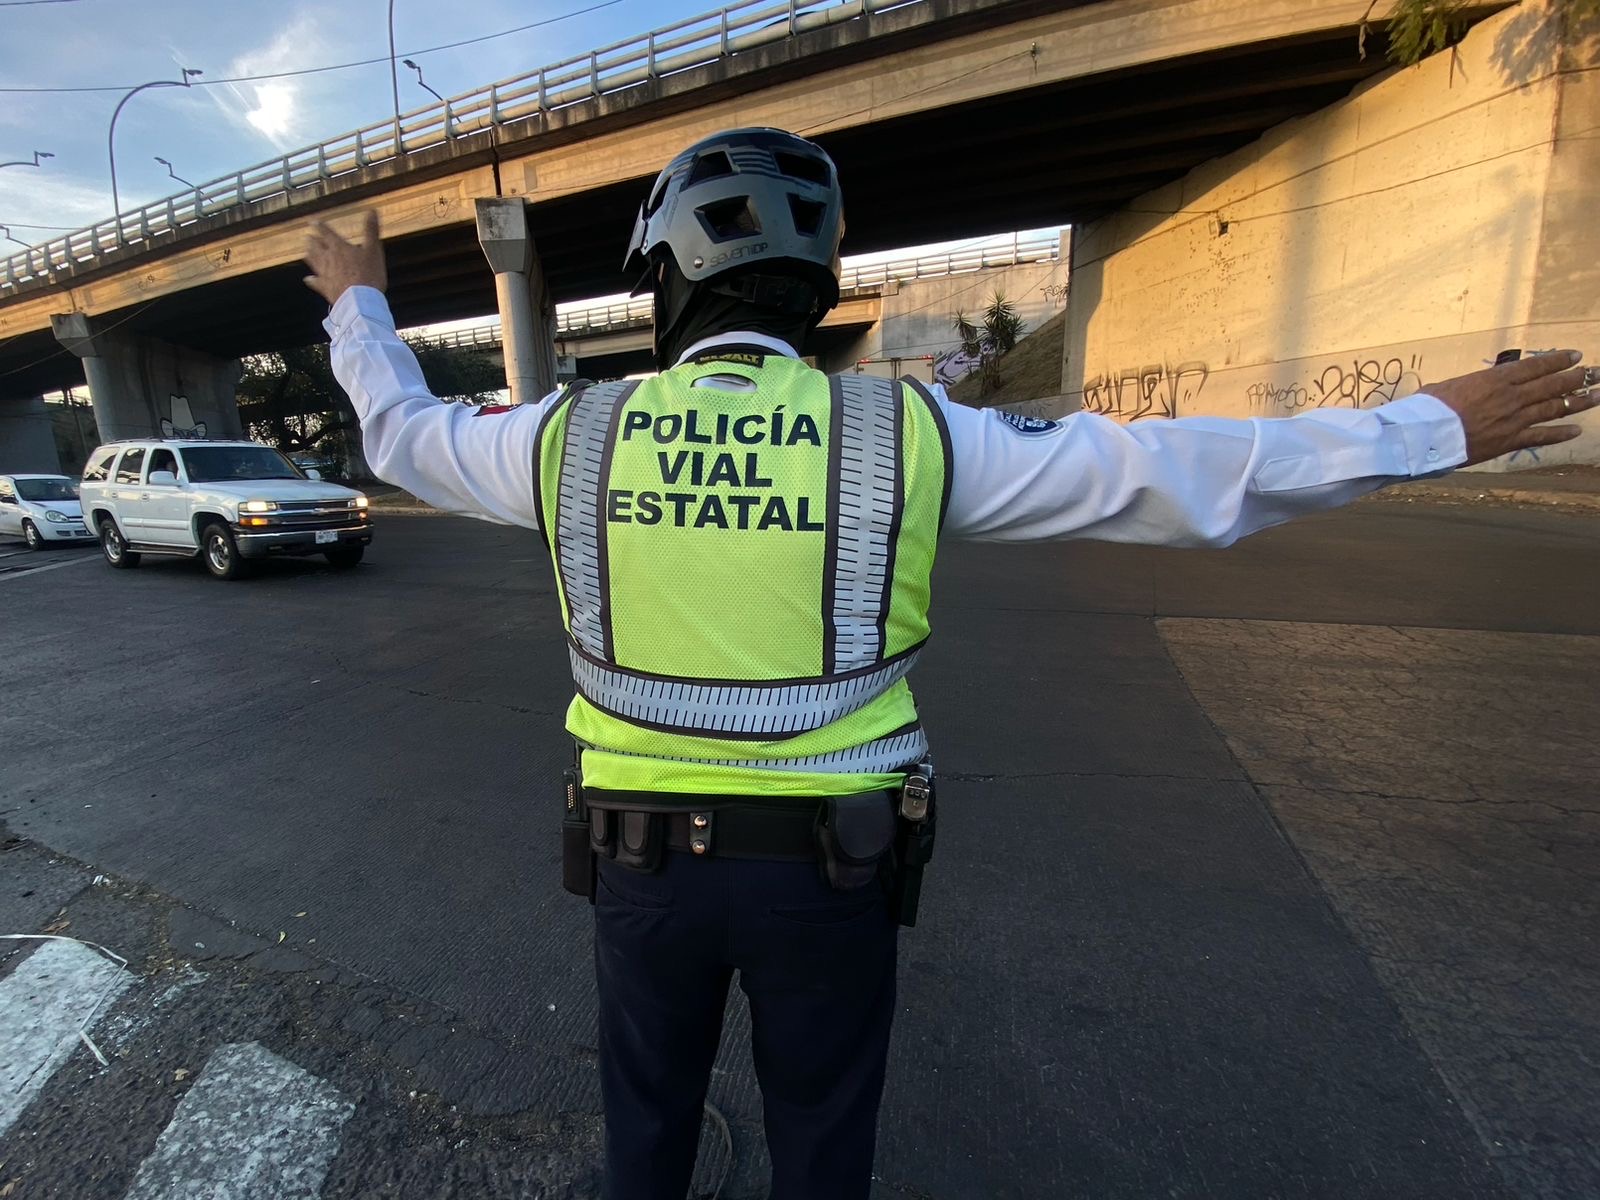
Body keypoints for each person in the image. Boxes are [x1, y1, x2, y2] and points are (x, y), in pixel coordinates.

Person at [303, 127, 1594, 1200]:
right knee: (823, 1146)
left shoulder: (567, 436)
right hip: (832, 872)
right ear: (813, 280)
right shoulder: (909, 430)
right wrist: (1427, 429)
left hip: (644, 872)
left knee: (645, 1145)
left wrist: (357, 297)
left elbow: (403, 432)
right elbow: (1173, 474)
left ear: (673, 281)